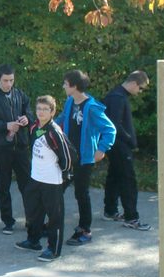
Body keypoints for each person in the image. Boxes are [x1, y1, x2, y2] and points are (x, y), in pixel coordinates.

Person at [56, 70, 116, 246]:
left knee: (81, 193)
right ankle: (53, 224)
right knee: (57, 189)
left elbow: (110, 129)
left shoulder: (91, 107)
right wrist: (47, 127)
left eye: (65, 84)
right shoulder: (70, 101)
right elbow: (62, 118)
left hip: (84, 159)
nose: (63, 86)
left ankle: (85, 230)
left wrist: (102, 148)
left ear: (74, 86)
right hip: (69, 156)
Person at [15, 96, 74, 262]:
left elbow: (67, 157)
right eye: (39, 109)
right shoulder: (34, 127)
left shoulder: (54, 132)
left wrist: (64, 174)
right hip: (36, 177)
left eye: (45, 109)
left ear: (52, 112)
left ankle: (53, 250)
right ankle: (33, 240)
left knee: (55, 216)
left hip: (52, 181)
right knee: (33, 212)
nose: (41, 112)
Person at [0, 64, 34, 234]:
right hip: (1, 148)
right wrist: (5, 125)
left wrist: (27, 119)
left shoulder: (19, 94)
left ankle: (32, 220)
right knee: (4, 186)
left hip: (21, 146)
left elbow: (30, 114)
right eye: (5, 80)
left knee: (28, 186)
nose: (9, 84)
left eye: (11, 80)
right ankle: (8, 221)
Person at [102, 71, 151, 231]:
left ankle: (110, 210)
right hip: (120, 146)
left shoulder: (115, 95)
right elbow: (115, 124)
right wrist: (130, 140)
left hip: (114, 145)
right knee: (128, 180)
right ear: (134, 83)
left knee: (114, 176)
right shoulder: (118, 97)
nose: (140, 91)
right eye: (141, 88)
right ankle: (131, 217)